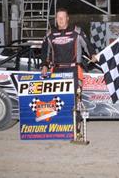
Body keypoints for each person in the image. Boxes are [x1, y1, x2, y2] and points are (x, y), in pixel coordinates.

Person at [41, 8, 97, 140]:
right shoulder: (50, 34)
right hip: (56, 71)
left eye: (62, 17)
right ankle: (60, 127)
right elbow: (44, 52)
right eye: (58, 18)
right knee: (57, 99)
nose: (60, 20)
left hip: (73, 70)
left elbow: (88, 45)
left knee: (75, 99)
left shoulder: (77, 31)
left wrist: (92, 54)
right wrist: (44, 64)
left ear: (67, 18)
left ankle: (76, 128)